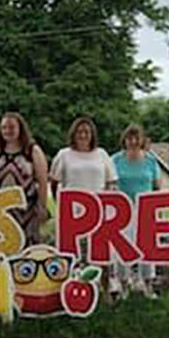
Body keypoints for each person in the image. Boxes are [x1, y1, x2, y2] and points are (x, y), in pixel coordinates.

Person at [49, 116, 118, 301]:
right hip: (73, 214)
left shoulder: (102, 154)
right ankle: (71, 295)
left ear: (92, 134)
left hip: (99, 212)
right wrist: (60, 204)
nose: (83, 135)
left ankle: (104, 293)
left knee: (101, 256)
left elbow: (112, 182)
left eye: (87, 132)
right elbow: (54, 182)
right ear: (74, 134)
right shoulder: (64, 154)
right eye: (80, 132)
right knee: (73, 257)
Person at [111, 124, 161, 299]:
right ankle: (123, 285)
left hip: (145, 210)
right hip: (122, 211)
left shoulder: (151, 161)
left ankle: (147, 284)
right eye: (129, 138)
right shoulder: (115, 160)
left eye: (136, 138)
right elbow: (110, 183)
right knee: (122, 249)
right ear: (124, 140)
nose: (132, 141)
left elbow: (157, 186)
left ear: (141, 140)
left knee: (147, 248)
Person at [0, 112, 48, 247]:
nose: (8, 131)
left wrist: (42, 207)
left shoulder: (32, 150)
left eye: (12, 127)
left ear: (20, 129)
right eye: (4, 128)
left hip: (26, 210)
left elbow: (43, 181)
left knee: (25, 247)